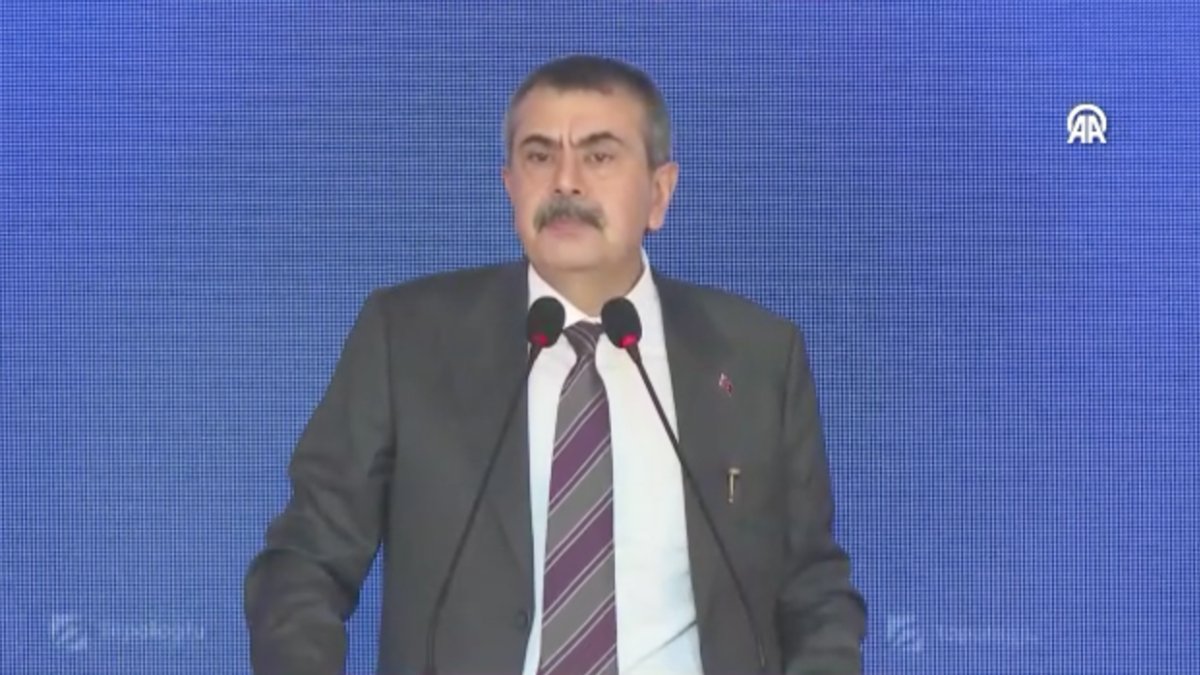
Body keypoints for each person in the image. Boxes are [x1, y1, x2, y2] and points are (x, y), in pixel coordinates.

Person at [244, 54, 866, 675]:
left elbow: (813, 592)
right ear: (510, 185)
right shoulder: (407, 339)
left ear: (659, 193)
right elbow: (304, 562)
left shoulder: (755, 357)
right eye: (539, 156)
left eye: (599, 156)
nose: (566, 182)